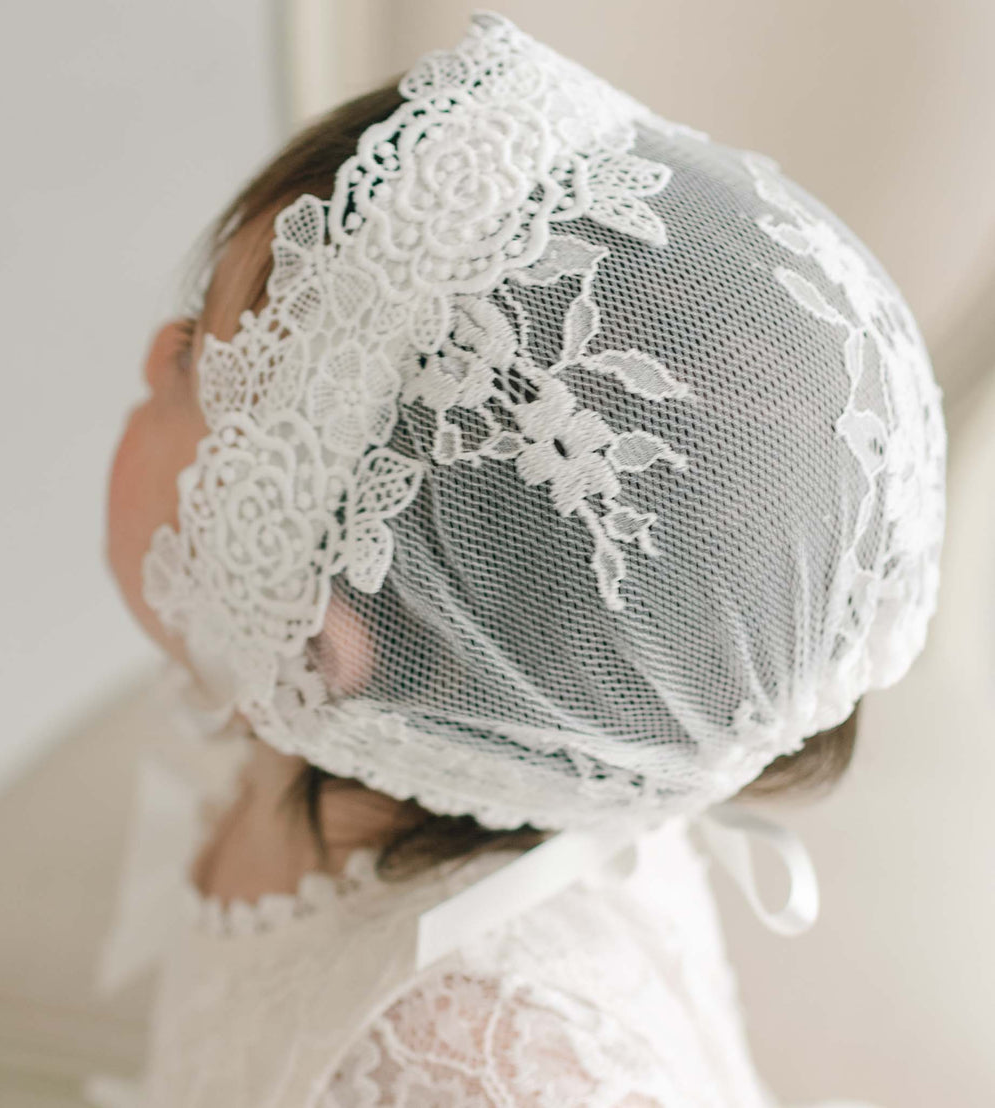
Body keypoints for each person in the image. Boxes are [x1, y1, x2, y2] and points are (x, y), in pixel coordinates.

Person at [96, 12, 946, 1107]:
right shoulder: (365, 749)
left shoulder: (471, 1062)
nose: (154, 353)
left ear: (319, 635)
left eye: (196, 373)